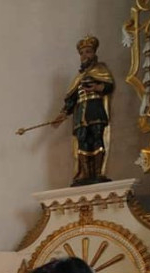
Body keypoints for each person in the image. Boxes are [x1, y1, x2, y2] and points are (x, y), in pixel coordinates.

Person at [53, 35, 114, 186]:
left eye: (88, 52)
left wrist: (97, 87)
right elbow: (71, 99)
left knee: (97, 138)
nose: (85, 55)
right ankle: (86, 173)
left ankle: (98, 172)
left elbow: (109, 86)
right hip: (80, 114)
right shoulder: (78, 78)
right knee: (82, 140)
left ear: (94, 53)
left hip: (95, 110)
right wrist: (63, 113)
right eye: (82, 53)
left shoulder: (101, 70)